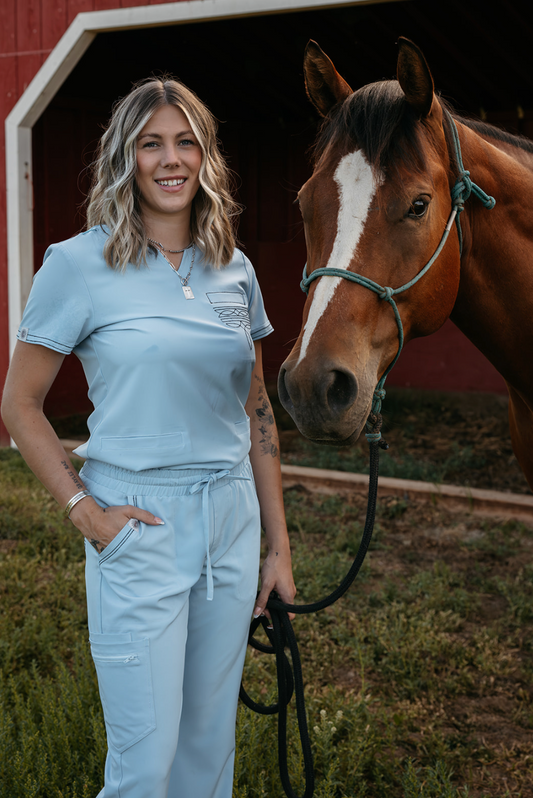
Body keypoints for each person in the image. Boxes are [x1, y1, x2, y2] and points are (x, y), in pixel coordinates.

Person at [1, 76, 296, 798]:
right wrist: (85, 511)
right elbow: (20, 404)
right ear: (124, 158)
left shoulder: (235, 268)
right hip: (137, 522)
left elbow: (256, 408)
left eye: (186, 142)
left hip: (230, 519)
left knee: (208, 754)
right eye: (151, 143)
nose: (171, 159)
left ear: (205, 157)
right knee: (145, 764)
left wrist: (277, 546)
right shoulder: (77, 264)